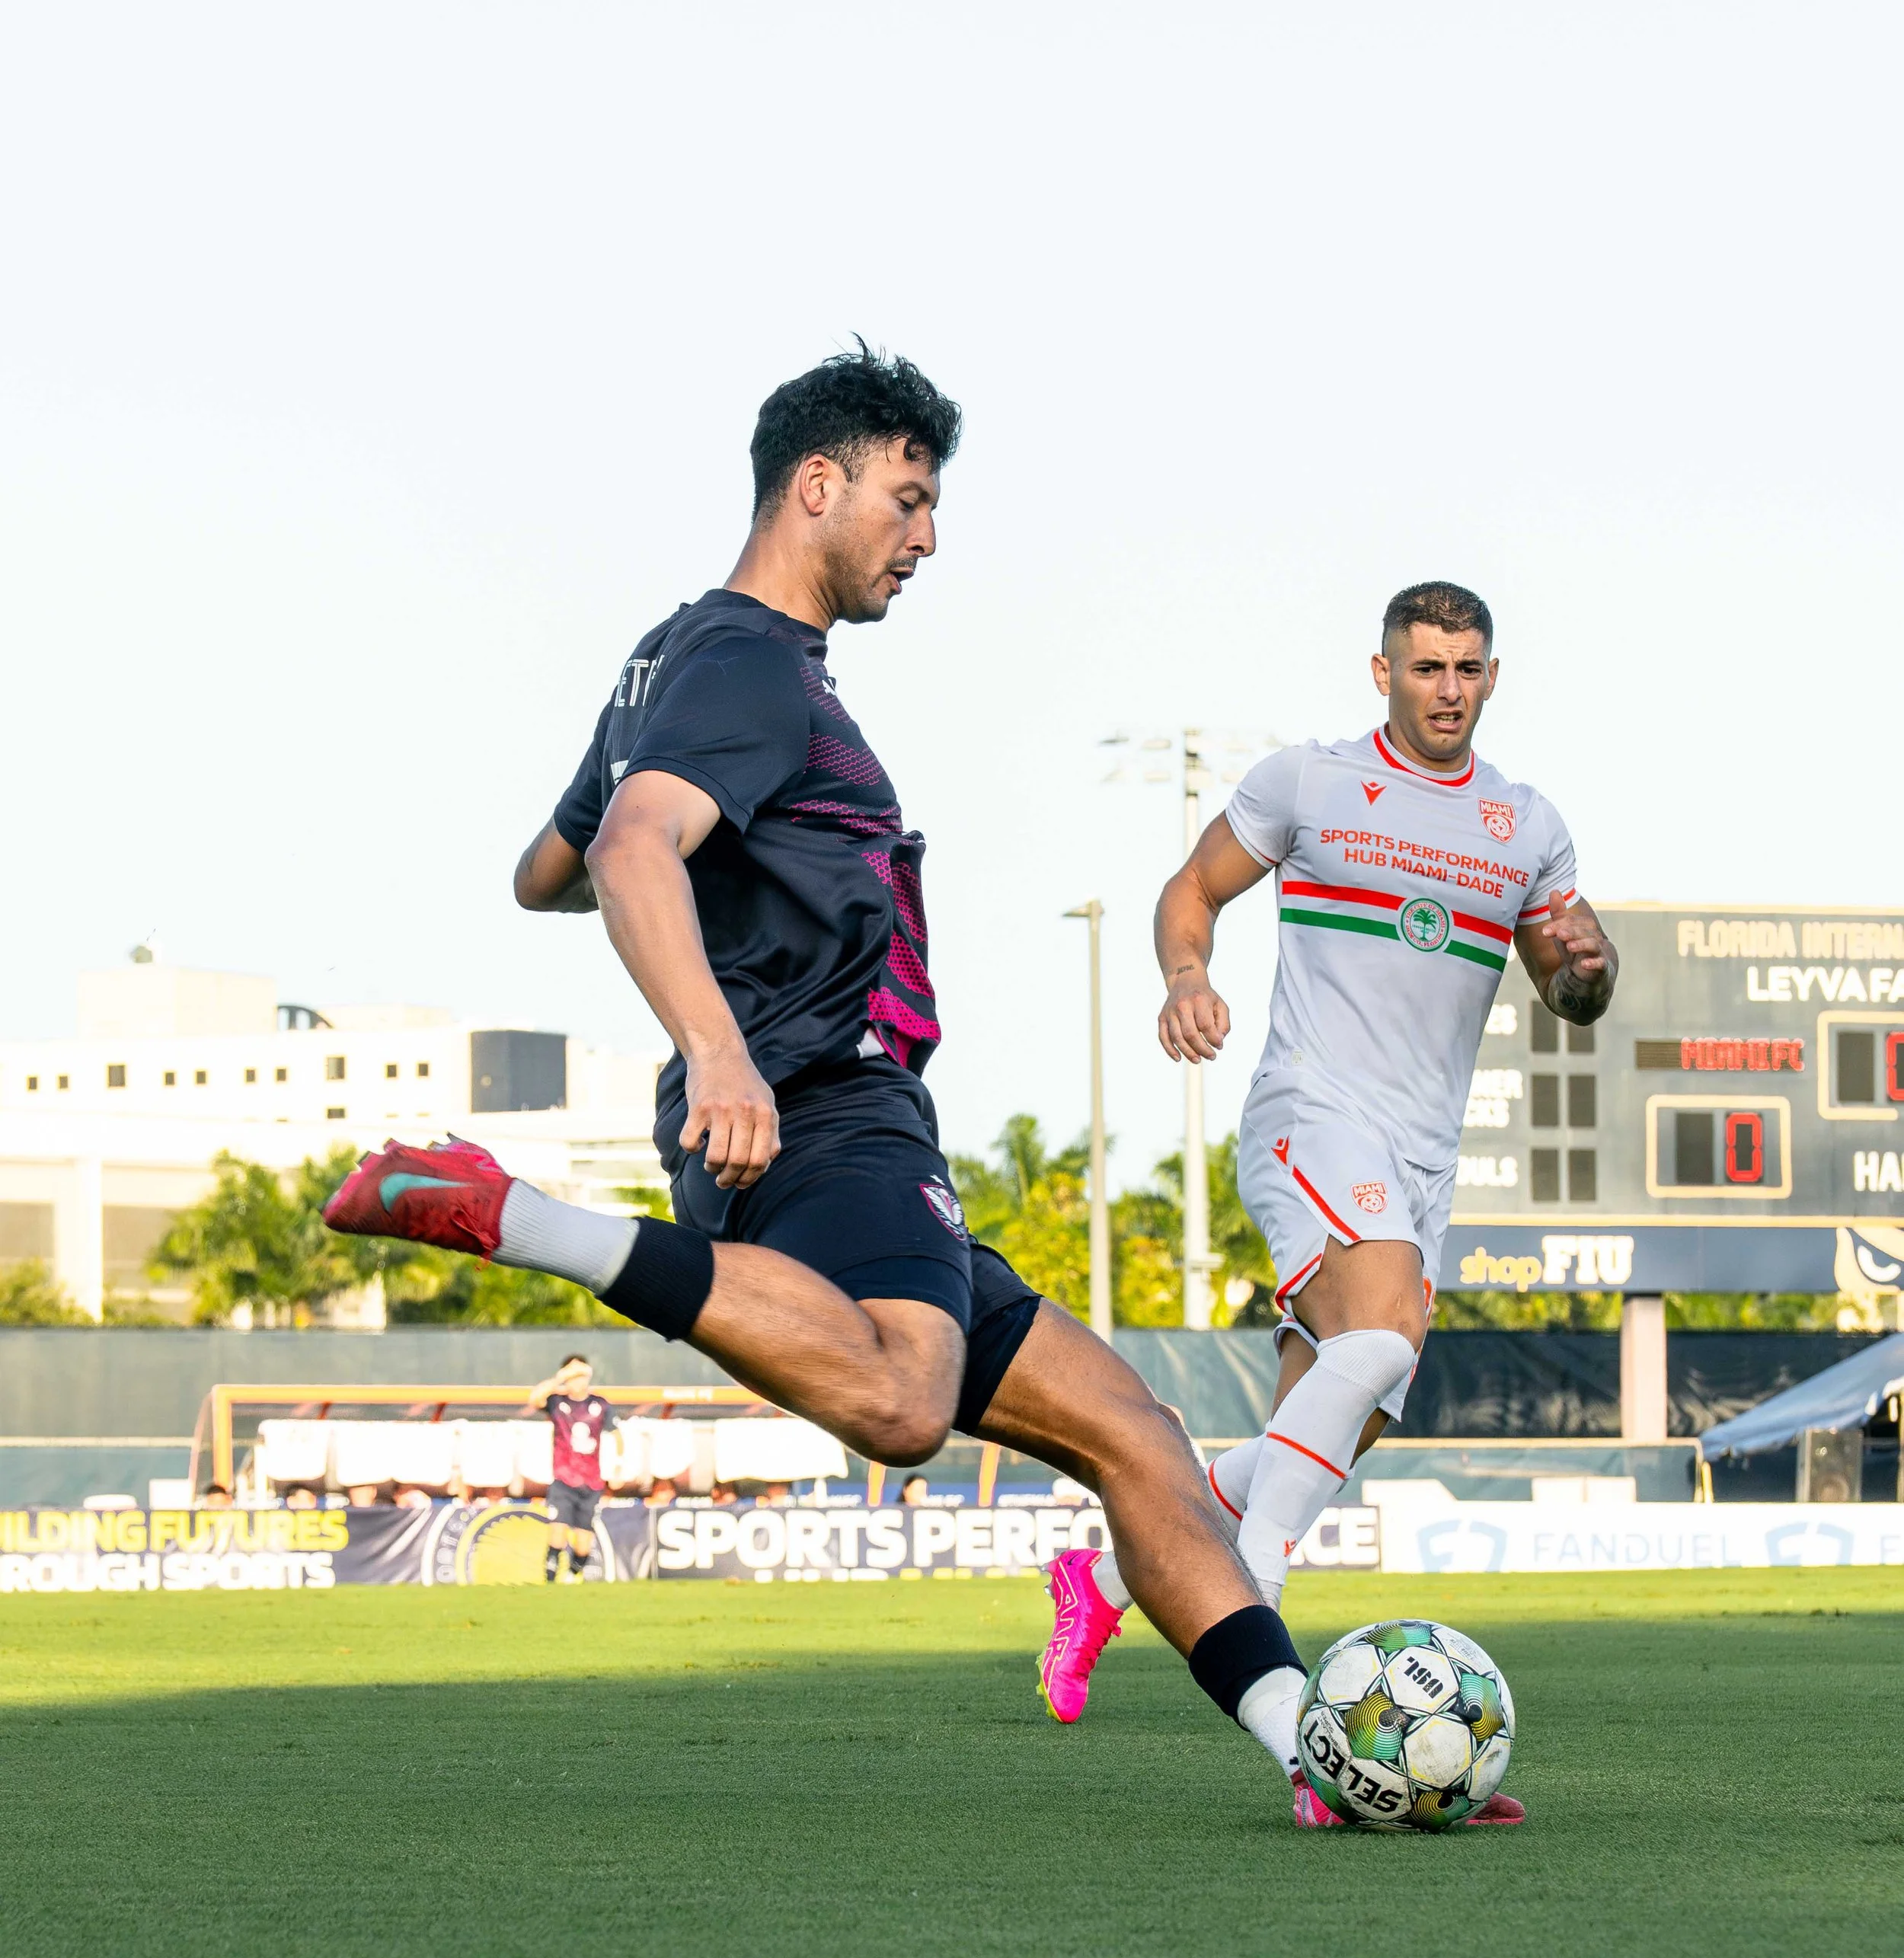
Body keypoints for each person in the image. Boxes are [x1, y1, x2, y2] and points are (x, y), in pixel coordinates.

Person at [324, 346, 1353, 1825]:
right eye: (907, 496)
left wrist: (711, 876)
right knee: (899, 1394)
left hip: (850, 1121)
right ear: (818, 486)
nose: (924, 536)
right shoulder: (746, 663)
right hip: (817, 1105)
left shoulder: (674, 660)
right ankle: (521, 1218)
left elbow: (552, 863)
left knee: (1131, 1431)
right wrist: (728, 1040)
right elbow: (624, 854)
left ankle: (1316, 1753)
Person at [1039, 581, 1618, 1822]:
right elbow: (1187, 892)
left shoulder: (1528, 829)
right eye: (1425, 668)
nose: (1447, 688)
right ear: (1383, 673)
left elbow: (1574, 986)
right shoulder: (1309, 785)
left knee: (1355, 1408)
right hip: (1312, 1112)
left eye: (1467, 668)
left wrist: (1585, 968)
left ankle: (1113, 1572)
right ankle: (1257, 1620)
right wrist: (1186, 978)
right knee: (1380, 1330)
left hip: (1420, 1156)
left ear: (1493, 677)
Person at [525, 1354, 615, 1580]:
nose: (577, 1382)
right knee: (557, 1532)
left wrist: (618, 1468)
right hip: (564, 1480)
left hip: (592, 1482)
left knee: (583, 1544)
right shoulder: (557, 1402)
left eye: (581, 1376)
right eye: (572, 1377)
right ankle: (550, 1580)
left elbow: (616, 1435)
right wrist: (560, 1378)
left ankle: (573, 1574)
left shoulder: (600, 1405)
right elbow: (535, 1399)